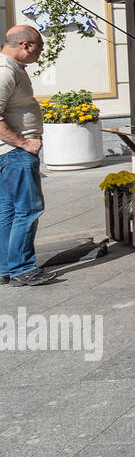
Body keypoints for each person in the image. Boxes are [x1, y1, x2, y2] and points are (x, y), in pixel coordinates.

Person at [0, 26, 51, 287]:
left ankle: (6, 267)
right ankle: (22, 268)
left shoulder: (11, 68)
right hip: (15, 153)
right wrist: (24, 143)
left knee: (8, 210)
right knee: (28, 209)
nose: (41, 51)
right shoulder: (6, 71)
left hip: (10, 153)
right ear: (25, 45)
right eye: (40, 45)